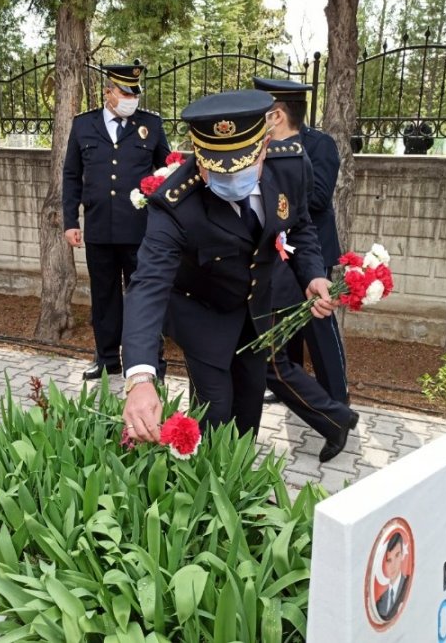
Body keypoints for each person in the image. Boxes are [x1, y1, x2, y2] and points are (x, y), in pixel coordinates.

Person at [120, 89, 336, 442]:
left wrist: (312, 274)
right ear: (200, 162)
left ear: (264, 149)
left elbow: (301, 226)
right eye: (216, 169)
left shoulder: (291, 167)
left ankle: (236, 489)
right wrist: (141, 378)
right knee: (215, 411)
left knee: (249, 408)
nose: (230, 179)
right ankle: (206, 489)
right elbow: (148, 285)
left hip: (254, 313)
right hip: (202, 313)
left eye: (242, 167)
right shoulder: (175, 204)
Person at [252, 77, 356, 461]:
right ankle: (314, 402)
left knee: (318, 332)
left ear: (278, 112)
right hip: (279, 259)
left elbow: (313, 202)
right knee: (281, 347)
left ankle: (335, 401)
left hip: (307, 254)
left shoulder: (317, 146)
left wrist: (280, 195)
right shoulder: (259, 148)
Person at [62, 61, 171, 380]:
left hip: (140, 229)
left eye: (134, 93)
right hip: (98, 228)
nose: (130, 98)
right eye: (124, 92)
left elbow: (166, 170)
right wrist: (71, 221)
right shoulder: (83, 125)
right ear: (107, 91)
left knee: (145, 297)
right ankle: (107, 358)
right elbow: (71, 175)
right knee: (104, 297)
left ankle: (152, 361)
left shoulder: (150, 124)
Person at [376, 532, 409, 621]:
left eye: (397, 555)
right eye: (389, 560)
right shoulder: (379, 603)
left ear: (402, 555)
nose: (393, 565)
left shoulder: (408, 585)